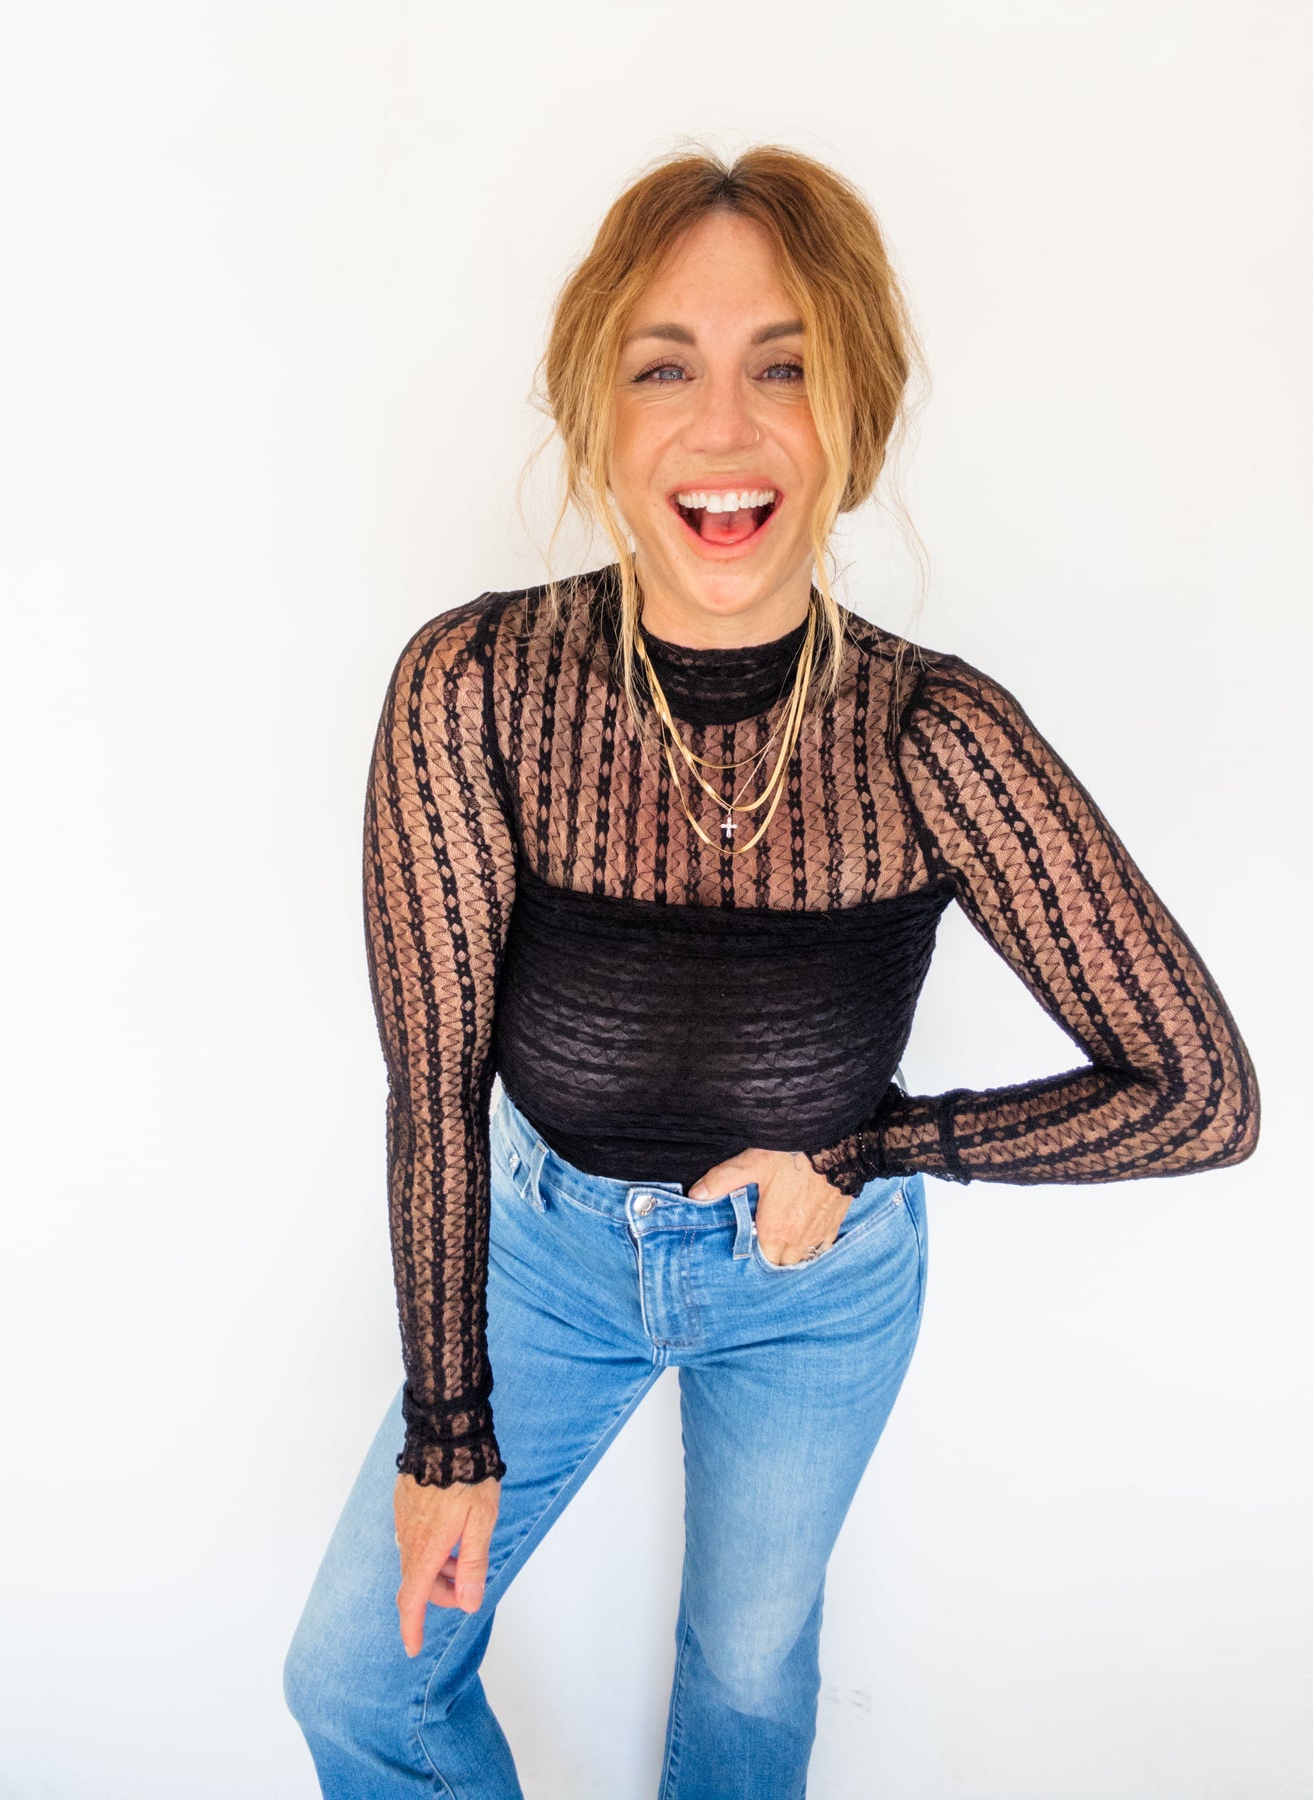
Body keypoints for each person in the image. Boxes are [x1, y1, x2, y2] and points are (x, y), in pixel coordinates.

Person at [282, 143, 1259, 1800]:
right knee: (356, 1682)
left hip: (815, 1291)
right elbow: (433, 1086)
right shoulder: (476, 684)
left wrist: (877, 1147)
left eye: (784, 368)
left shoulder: (935, 733)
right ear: (596, 416)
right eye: (665, 367)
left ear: (852, 421)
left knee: (744, 1679)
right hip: (541, 1261)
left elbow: (1200, 1097)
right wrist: (449, 1431)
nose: (723, 427)